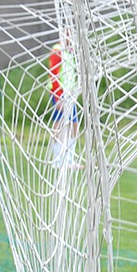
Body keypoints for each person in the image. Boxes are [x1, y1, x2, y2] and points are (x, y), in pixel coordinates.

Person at [48, 30, 81, 169]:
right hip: (59, 94)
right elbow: (53, 75)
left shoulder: (71, 51)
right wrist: (57, 97)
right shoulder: (57, 51)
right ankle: (57, 160)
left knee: (73, 125)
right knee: (59, 124)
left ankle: (69, 159)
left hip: (69, 95)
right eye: (69, 35)